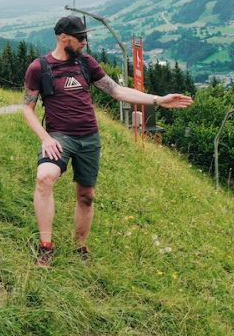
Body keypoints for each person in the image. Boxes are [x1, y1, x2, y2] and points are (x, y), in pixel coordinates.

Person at [23, 16, 193, 266]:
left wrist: (159, 99)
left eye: (86, 37)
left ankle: (80, 247)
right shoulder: (39, 68)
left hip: (90, 138)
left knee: (86, 195)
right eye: (80, 37)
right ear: (63, 37)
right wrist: (45, 138)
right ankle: (46, 246)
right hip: (59, 136)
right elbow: (27, 108)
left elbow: (116, 91)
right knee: (44, 177)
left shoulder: (86, 63)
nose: (85, 42)